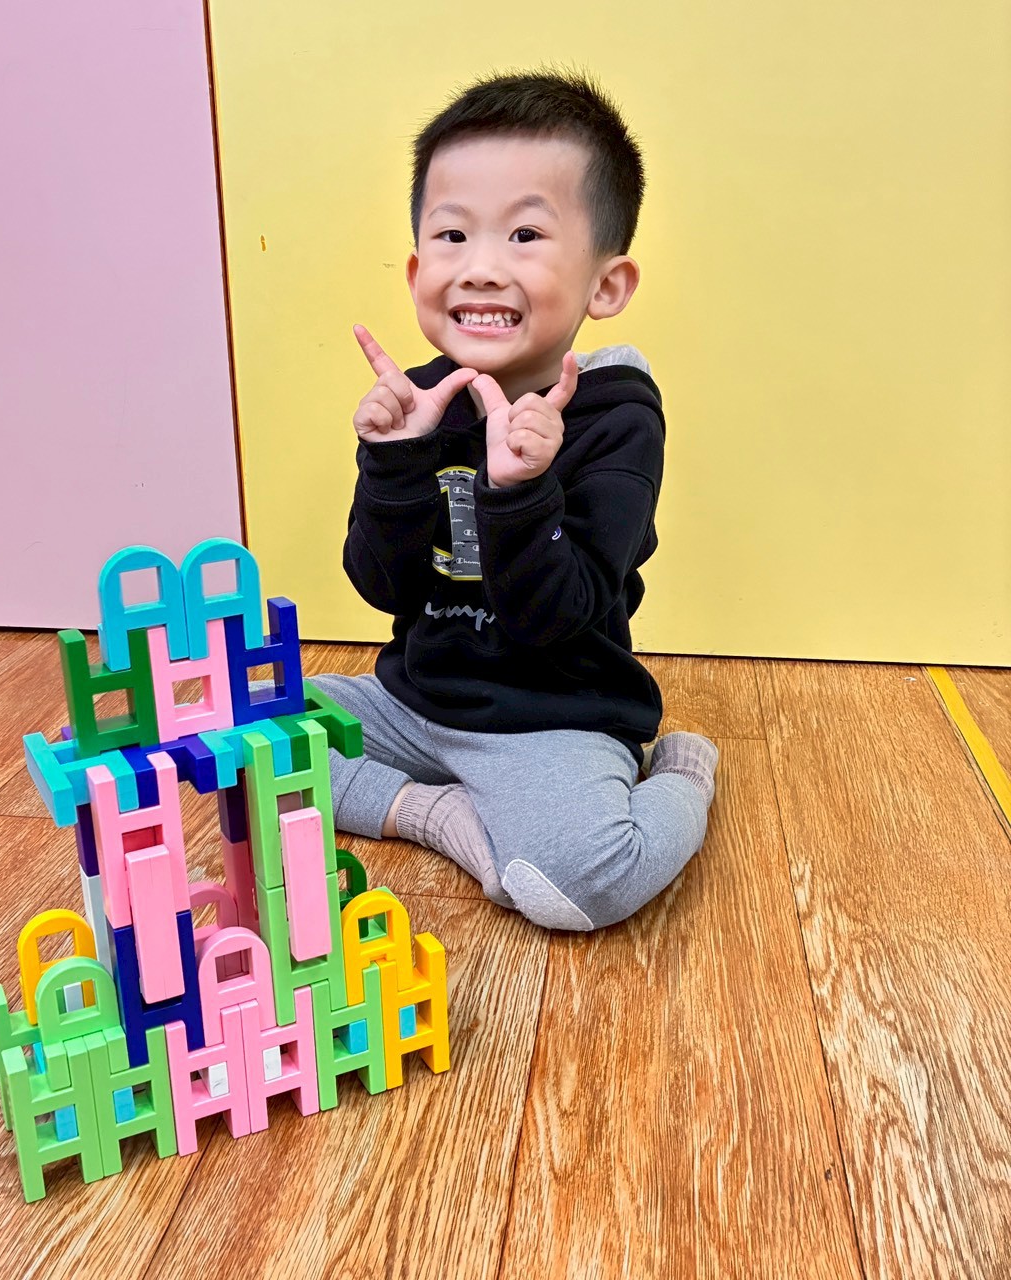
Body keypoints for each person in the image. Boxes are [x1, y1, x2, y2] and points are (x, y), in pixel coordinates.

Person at [307, 67, 718, 931]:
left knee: (580, 885)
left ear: (606, 285)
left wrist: (521, 487)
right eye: (452, 235)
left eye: (525, 234)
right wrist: (394, 461)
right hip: (416, 701)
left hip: (550, 717)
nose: (481, 268)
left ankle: (683, 774)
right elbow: (381, 587)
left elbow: (553, 618)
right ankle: (436, 814)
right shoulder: (422, 397)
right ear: (417, 268)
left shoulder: (616, 420)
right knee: (235, 738)